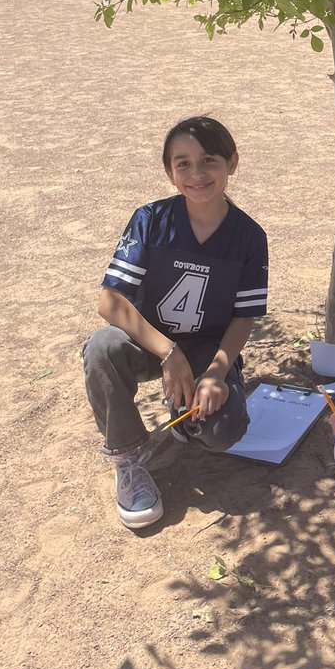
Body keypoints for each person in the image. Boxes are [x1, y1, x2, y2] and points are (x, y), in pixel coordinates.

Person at [82, 115, 268, 530]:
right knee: (102, 347)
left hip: (207, 348)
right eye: (182, 163)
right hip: (152, 343)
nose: (196, 174)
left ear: (232, 163)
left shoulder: (249, 236)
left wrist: (217, 372)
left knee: (222, 433)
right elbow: (109, 301)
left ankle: (185, 420)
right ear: (169, 171)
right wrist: (169, 352)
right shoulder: (150, 220)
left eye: (209, 161)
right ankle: (128, 457)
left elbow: (243, 317)